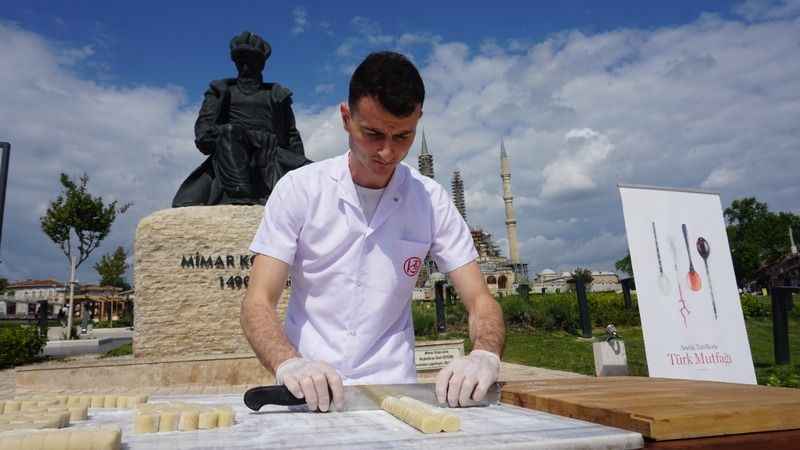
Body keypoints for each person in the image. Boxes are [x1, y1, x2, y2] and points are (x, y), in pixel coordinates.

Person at [242, 51, 505, 413]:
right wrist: (288, 362)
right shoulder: (299, 190)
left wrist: (485, 354)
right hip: (308, 392)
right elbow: (257, 301)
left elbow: (480, 300)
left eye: (403, 136)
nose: (387, 151)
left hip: (398, 397)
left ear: (419, 121)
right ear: (346, 118)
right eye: (373, 134)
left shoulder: (431, 200)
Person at [172, 31, 311, 207]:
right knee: (230, 132)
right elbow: (203, 135)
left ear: (262, 63)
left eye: (251, 59)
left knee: (319, 176)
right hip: (231, 154)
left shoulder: (277, 95)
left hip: (271, 155)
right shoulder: (221, 91)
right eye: (240, 59)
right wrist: (237, 135)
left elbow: (292, 135)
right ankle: (241, 195)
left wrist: (303, 172)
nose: (245, 65)